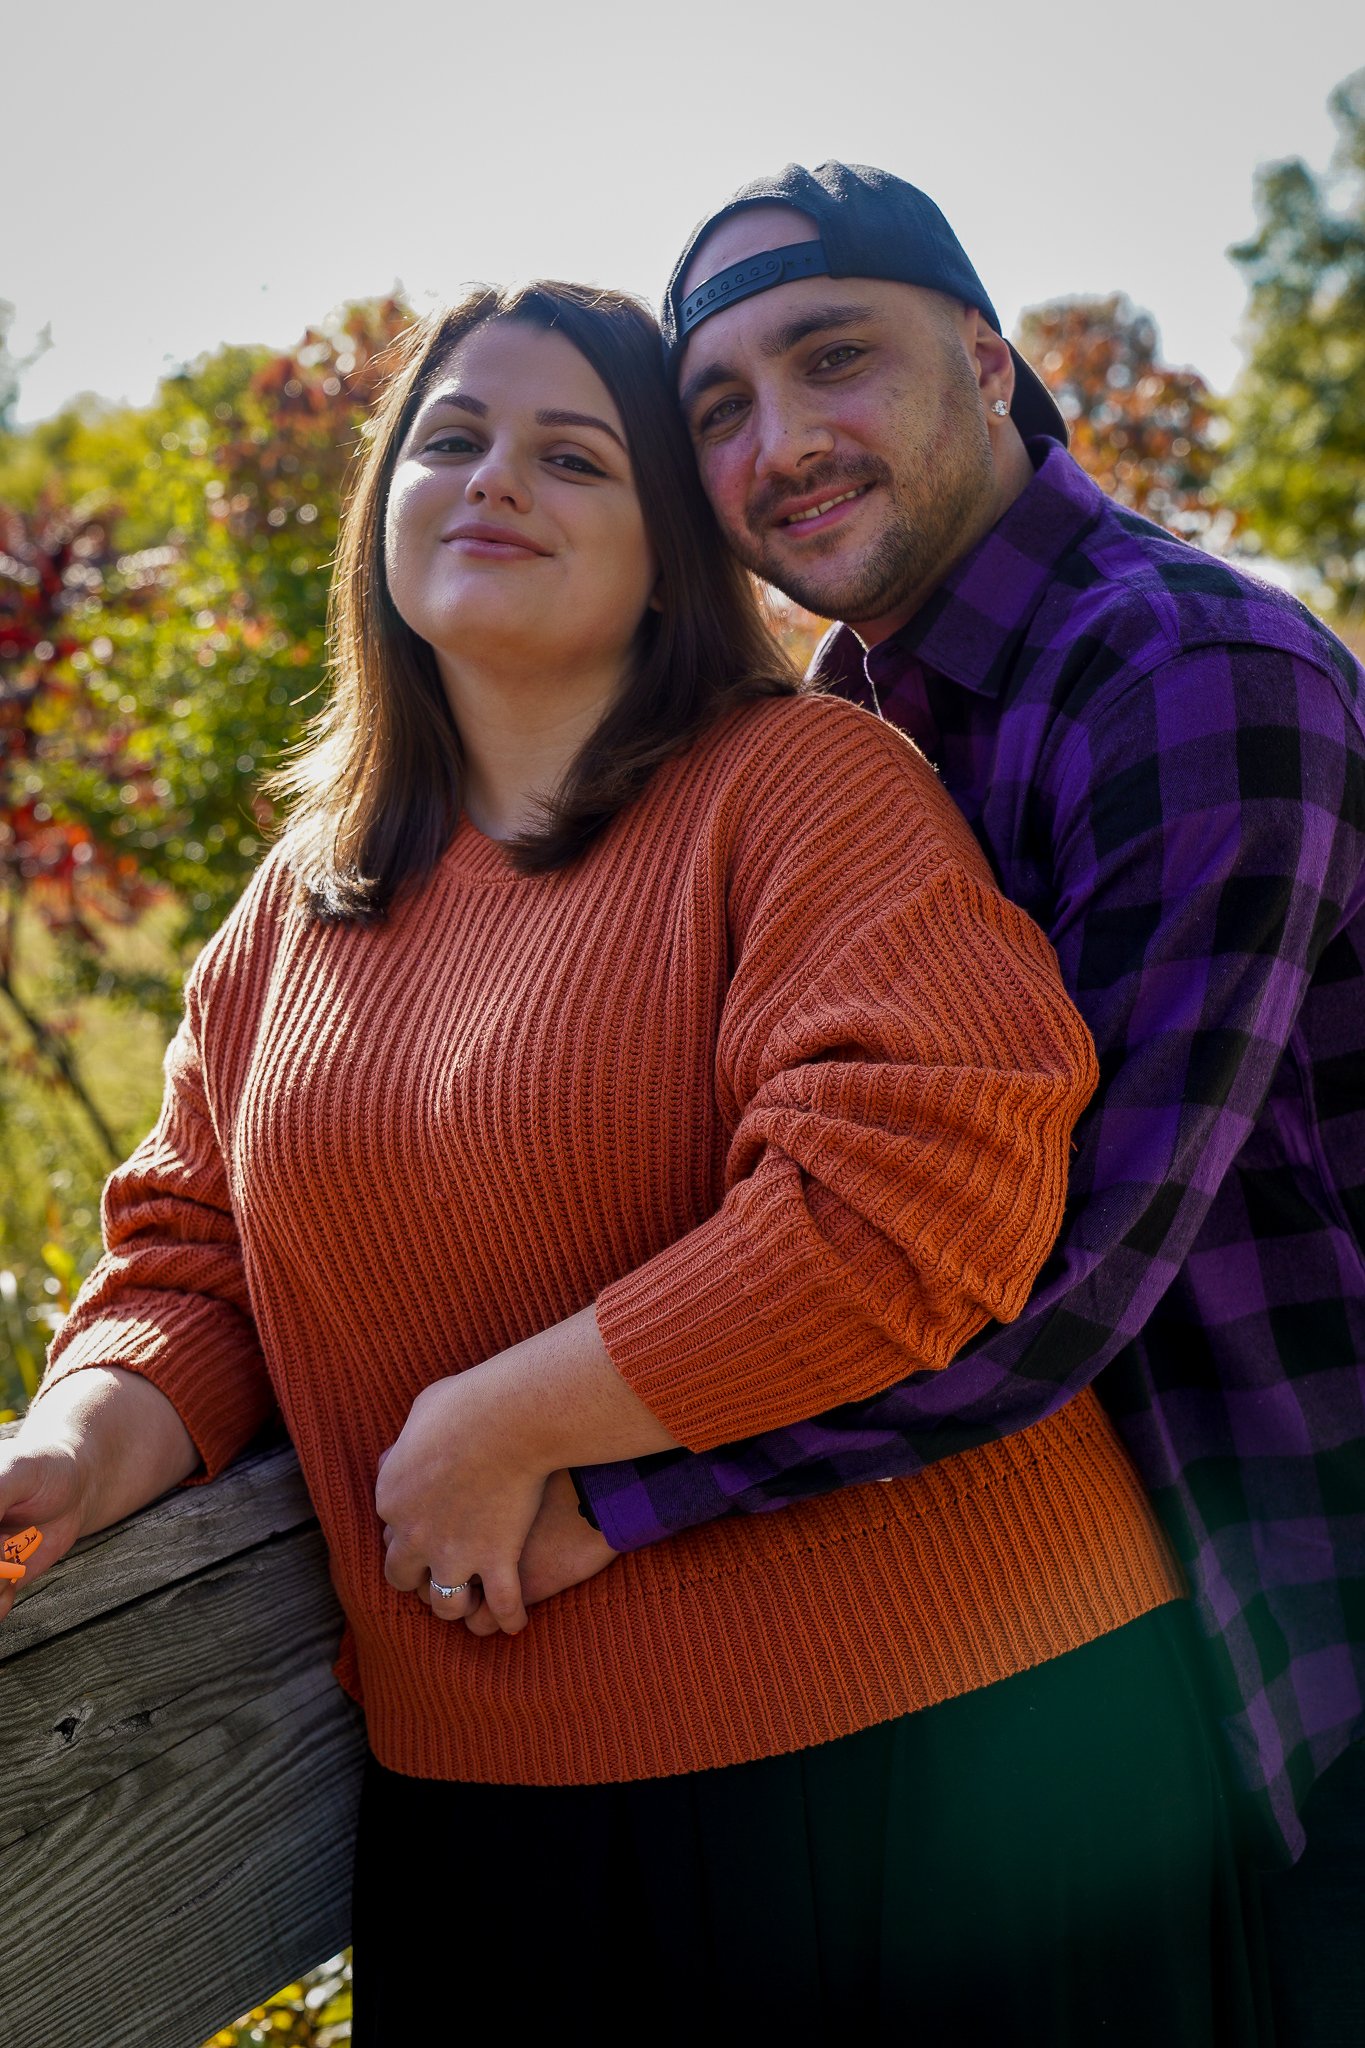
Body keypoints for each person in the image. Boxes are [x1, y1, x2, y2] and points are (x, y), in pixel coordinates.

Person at [0, 282, 1260, 2045]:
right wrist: (72, 1444)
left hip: (951, 1774)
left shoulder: (801, 785)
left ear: (671, 555)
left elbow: (919, 1190)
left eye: (572, 456)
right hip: (496, 1822)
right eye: (451, 439)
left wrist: (503, 1419)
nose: (494, 478)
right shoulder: (298, 905)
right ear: (380, 513)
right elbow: (196, 1256)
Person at [516, 163, 1364, 2042]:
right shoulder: (845, 721)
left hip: (1313, 1627)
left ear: (987, 363)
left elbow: (1059, 1264)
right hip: (1081, 1657)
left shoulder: (1187, 676)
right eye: (717, 407)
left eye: (834, 359)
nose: (779, 445)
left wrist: (605, 1486)